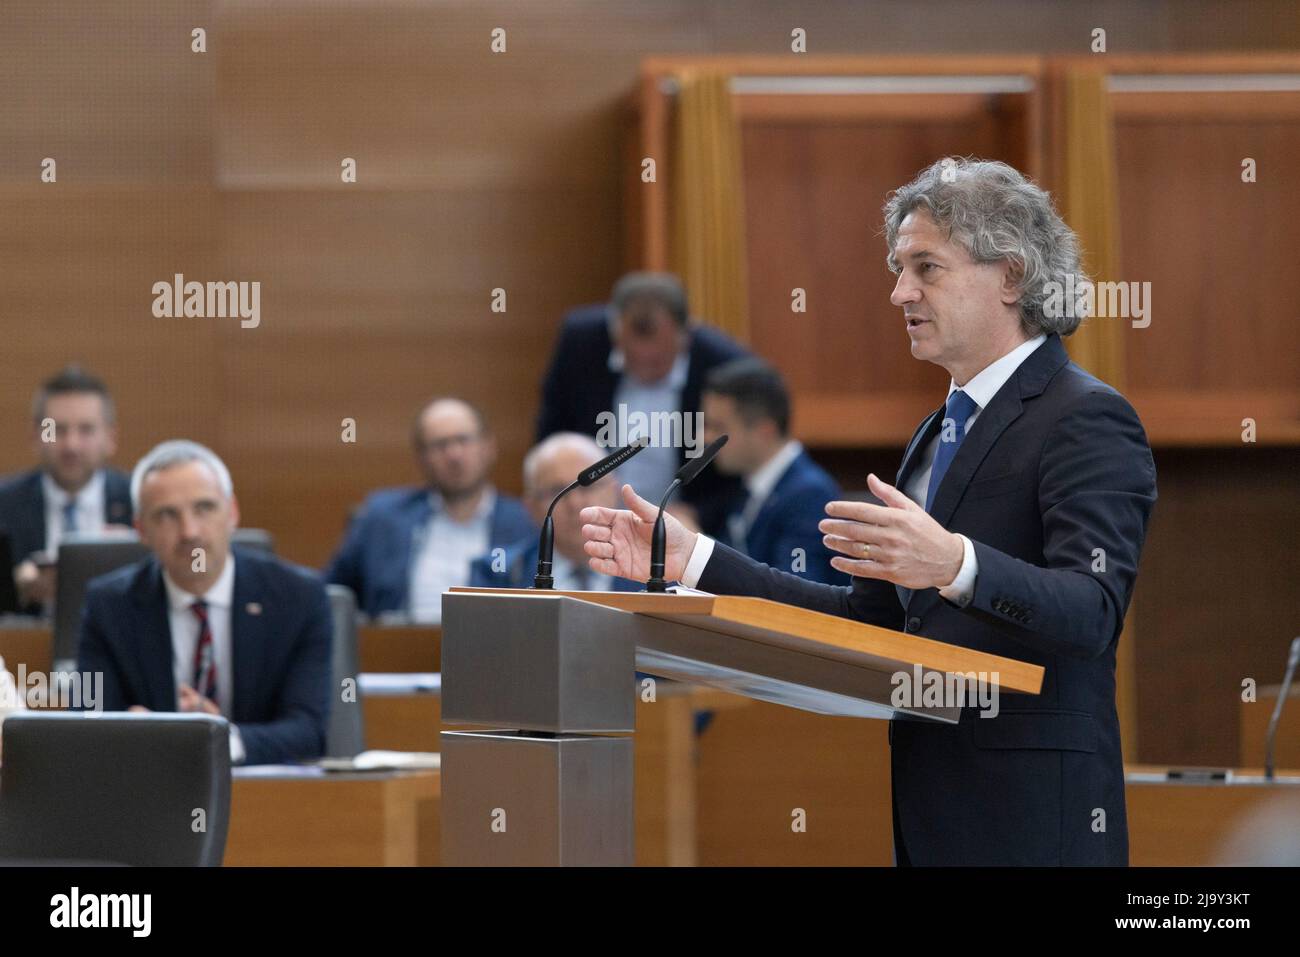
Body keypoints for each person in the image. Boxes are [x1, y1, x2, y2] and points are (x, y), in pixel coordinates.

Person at [580, 158, 1158, 866]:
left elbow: (1093, 608)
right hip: (929, 814)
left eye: (926, 267)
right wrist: (693, 559)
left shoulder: (1087, 417)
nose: (899, 291)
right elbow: (871, 624)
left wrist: (956, 564)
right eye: (897, 266)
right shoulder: (938, 428)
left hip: (1038, 820)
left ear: (1011, 275)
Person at [76, 441, 331, 765]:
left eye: (204, 508)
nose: (190, 532)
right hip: (153, 793)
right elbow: (85, 720)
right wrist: (130, 731)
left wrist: (219, 739)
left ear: (233, 512)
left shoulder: (299, 599)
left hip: (268, 795)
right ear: (141, 530)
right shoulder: (107, 606)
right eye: (167, 515)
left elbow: (309, 731)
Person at [535, 271, 748, 532]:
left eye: (657, 361)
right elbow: (553, 433)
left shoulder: (724, 365)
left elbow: (741, 467)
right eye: (631, 359)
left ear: (685, 337)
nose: (644, 371)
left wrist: (698, 514)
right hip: (593, 517)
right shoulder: (581, 342)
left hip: (685, 523)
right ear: (615, 332)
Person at [325, 397, 534, 622]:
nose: (454, 454)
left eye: (463, 440)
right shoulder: (382, 517)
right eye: (440, 445)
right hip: (396, 650)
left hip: (493, 652)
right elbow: (331, 594)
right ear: (422, 458)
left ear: (489, 447)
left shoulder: (526, 521)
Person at [701, 357, 844, 585]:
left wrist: (699, 554)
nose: (706, 438)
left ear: (764, 431)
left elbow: (796, 593)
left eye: (719, 427)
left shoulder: (809, 496)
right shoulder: (747, 485)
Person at [0, 366, 133, 610]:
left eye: (86, 430)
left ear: (110, 438)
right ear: (36, 436)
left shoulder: (138, 502)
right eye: (57, 430)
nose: (71, 445)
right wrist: (13, 586)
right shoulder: (4, 505)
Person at [470, 432, 639, 591]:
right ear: (531, 507)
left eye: (587, 486)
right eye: (557, 491)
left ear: (615, 491)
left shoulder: (653, 568)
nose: (575, 503)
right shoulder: (495, 574)